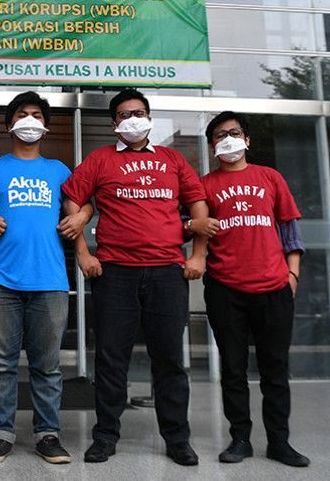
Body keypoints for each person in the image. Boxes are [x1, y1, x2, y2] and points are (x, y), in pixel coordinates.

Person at [61, 88, 209, 466]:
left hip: (166, 272)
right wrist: (82, 253)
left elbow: (199, 207)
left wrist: (198, 256)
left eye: (139, 112)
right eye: (125, 114)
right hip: (116, 273)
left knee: (170, 360)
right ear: (114, 123)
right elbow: (73, 201)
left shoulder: (173, 159)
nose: (133, 119)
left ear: (149, 118)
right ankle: (106, 436)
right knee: (111, 359)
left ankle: (177, 438)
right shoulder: (99, 160)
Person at [0, 91, 94, 465]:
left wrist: (83, 219)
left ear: (46, 126)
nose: (29, 120)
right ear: (9, 124)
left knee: (48, 365)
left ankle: (48, 434)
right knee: (0, 364)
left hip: (50, 280)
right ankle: (0, 434)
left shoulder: (59, 171)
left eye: (37, 114)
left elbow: (80, 205)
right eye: (22, 114)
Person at [195, 111, 309, 467]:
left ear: (247, 139)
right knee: (233, 368)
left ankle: (279, 441)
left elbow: (290, 229)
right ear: (212, 145)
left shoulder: (270, 177)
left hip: (274, 286)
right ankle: (240, 439)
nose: (227, 139)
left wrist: (292, 276)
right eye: (219, 135)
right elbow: (190, 225)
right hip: (225, 288)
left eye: (233, 132)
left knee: (275, 368)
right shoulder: (204, 184)